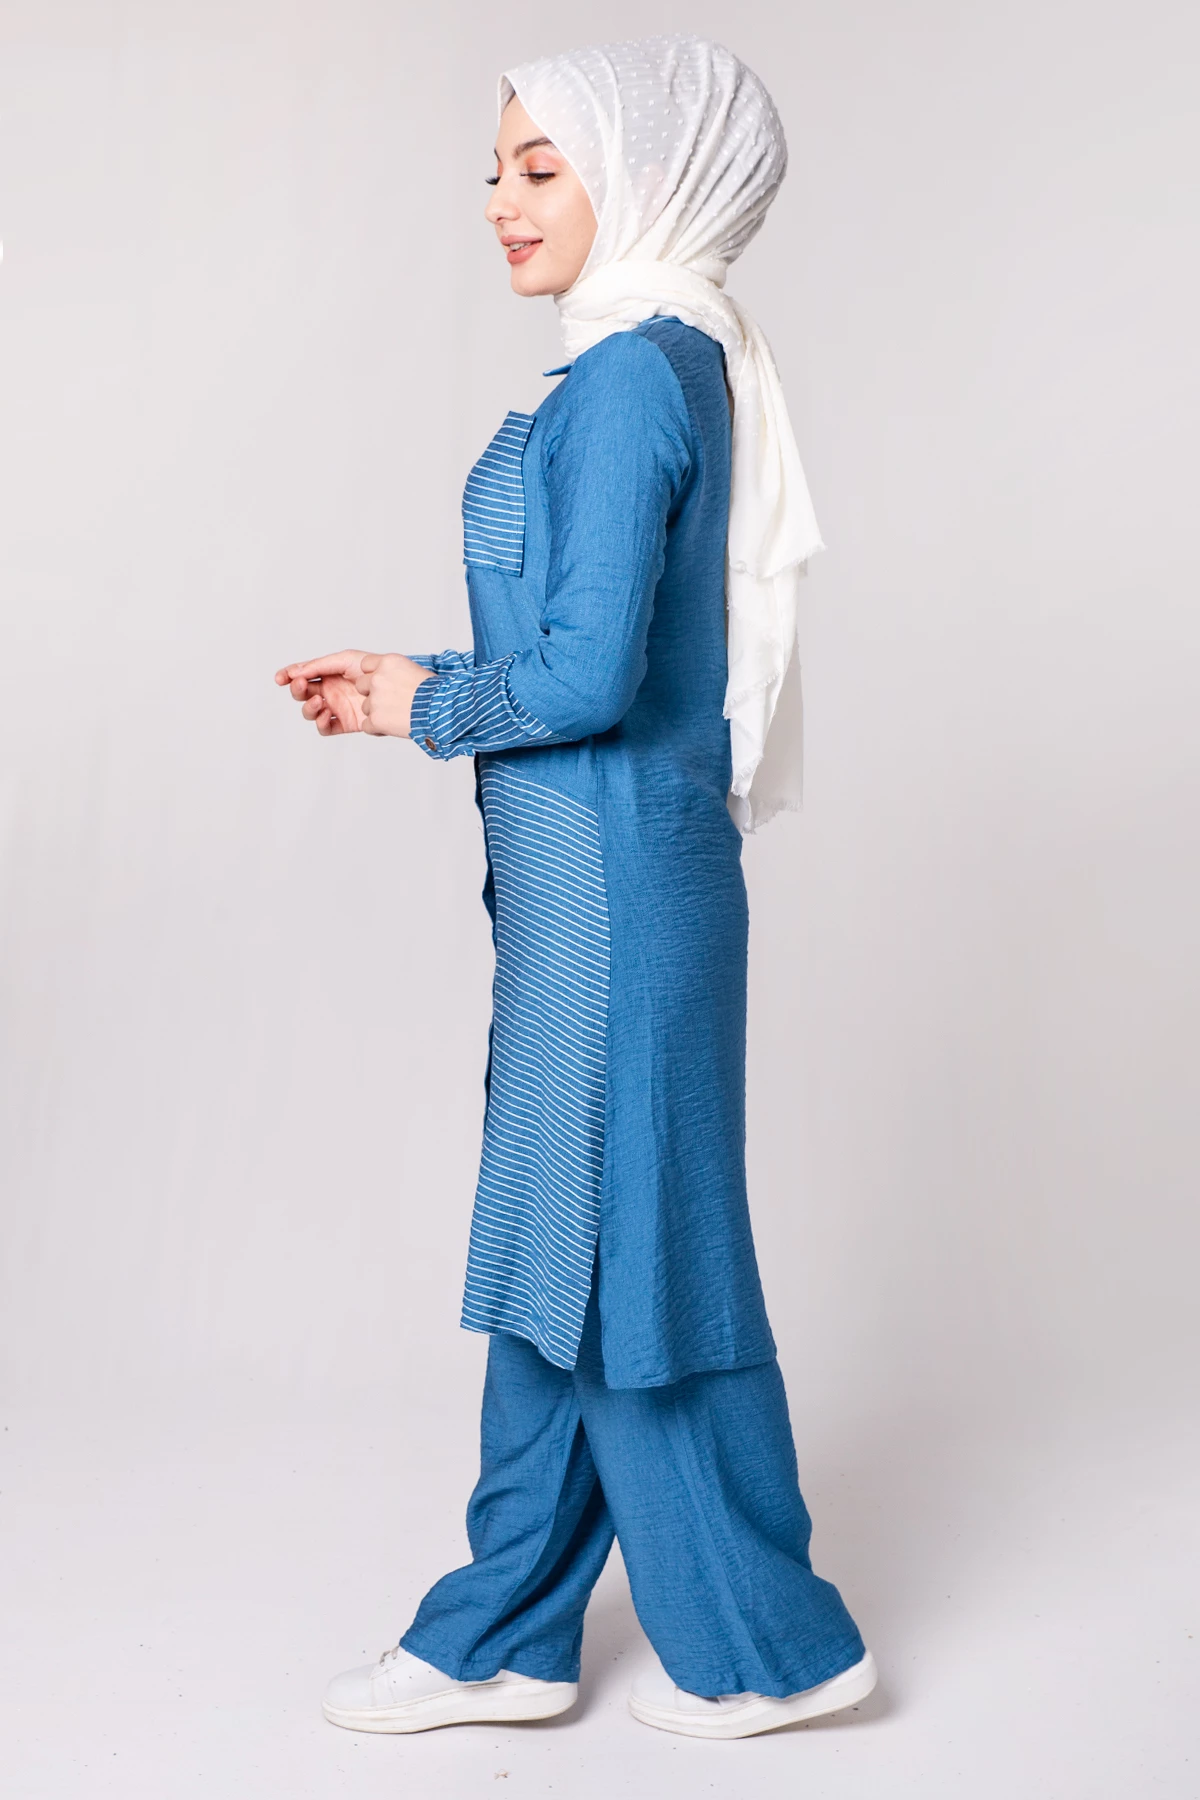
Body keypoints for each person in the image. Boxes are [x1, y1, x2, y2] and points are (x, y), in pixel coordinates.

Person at [275, 33, 875, 1742]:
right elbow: (586, 650)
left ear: (648, 175)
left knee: (630, 1261)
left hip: (614, 898)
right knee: (567, 1247)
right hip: (594, 894)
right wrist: (415, 679)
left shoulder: (628, 379)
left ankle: (771, 1647)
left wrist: (426, 702)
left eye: (543, 167)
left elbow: (590, 679)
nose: (501, 201)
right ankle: (508, 1635)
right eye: (495, 168)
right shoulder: (655, 361)